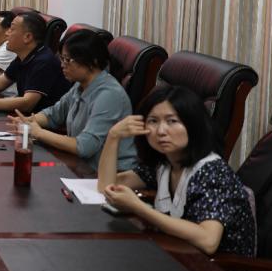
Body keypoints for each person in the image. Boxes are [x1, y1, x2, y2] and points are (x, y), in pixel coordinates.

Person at [96, 86, 256, 256]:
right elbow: (108, 185)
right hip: (177, 253)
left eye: (172, 121)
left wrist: (139, 207)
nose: (161, 131)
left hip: (220, 267)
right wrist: (113, 136)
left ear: (193, 124)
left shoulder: (213, 171)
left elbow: (208, 241)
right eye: (153, 121)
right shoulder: (166, 162)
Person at [8, 29, 136, 171]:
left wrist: (38, 133)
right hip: (81, 166)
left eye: (67, 60)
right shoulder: (80, 85)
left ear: (92, 61)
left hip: (110, 175)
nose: (62, 65)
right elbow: (54, 114)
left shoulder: (109, 95)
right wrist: (28, 122)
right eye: (62, 59)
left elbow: (84, 147)